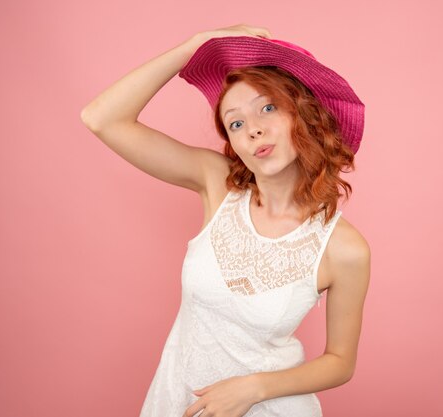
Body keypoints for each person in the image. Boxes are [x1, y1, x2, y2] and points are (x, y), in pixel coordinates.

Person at [80, 24, 370, 417]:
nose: (253, 129)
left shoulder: (344, 248)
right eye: (235, 123)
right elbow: (101, 118)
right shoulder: (217, 185)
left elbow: (340, 361)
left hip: (271, 408)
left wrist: (251, 389)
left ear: (304, 114)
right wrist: (195, 47)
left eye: (268, 107)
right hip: (177, 399)